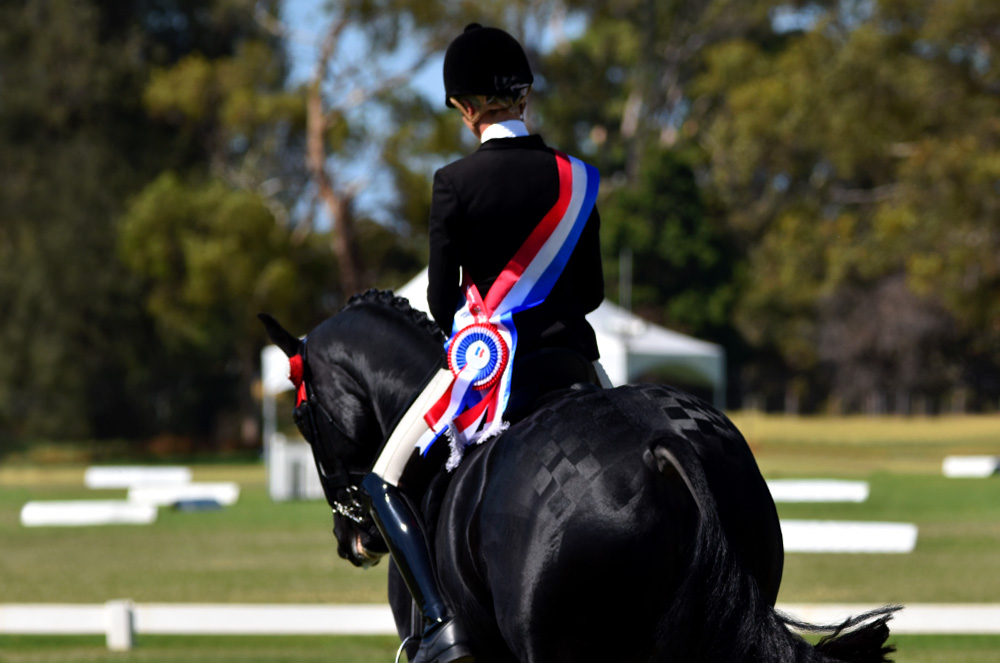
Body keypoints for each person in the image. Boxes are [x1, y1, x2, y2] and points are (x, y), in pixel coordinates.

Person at [359, 23, 605, 663]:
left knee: (383, 482)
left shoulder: (454, 183)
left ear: (465, 108)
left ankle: (441, 629)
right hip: (574, 365)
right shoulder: (579, 178)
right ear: (525, 96)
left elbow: (443, 305)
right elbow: (593, 293)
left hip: (487, 371)